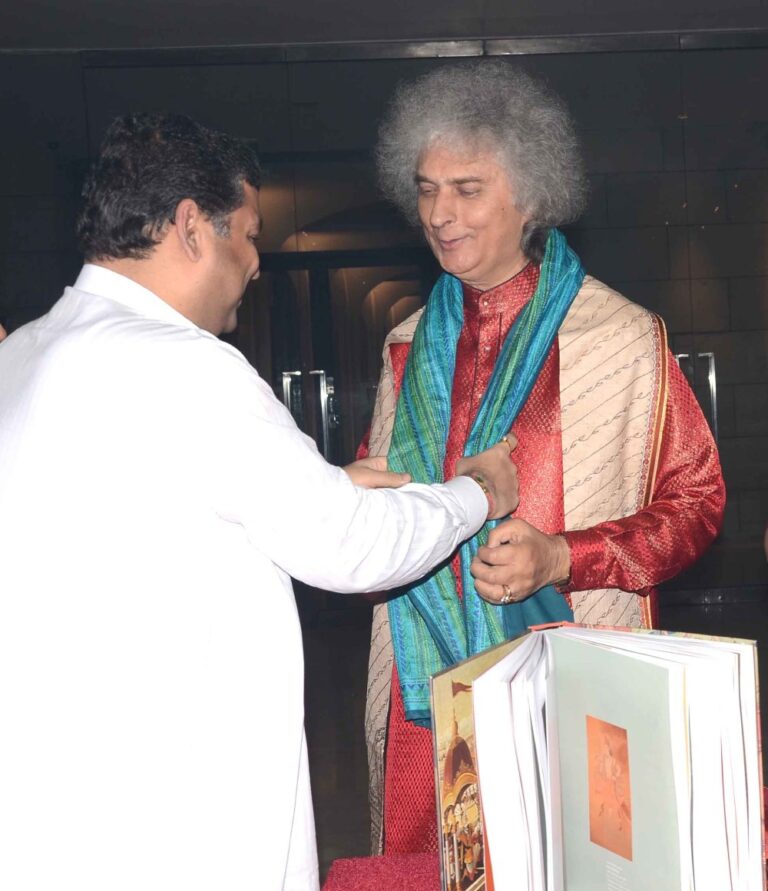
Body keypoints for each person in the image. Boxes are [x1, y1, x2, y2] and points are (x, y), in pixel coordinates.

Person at [0, 113, 520, 891]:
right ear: (189, 229)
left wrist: (324, 486)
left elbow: (139, 510)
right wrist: (476, 493)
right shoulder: (183, 364)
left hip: (55, 801)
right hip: (175, 814)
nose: (254, 263)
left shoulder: (26, 350)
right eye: (247, 234)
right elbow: (354, 548)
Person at [363, 61, 726, 855]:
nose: (439, 213)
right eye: (425, 188)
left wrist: (565, 554)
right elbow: (374, 510)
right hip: (428, 698)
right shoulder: (403, 347)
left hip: (580, 685)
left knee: (582, 863)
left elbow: (697, 503)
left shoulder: (620, 339)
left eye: (466, 188)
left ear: (530, 195)